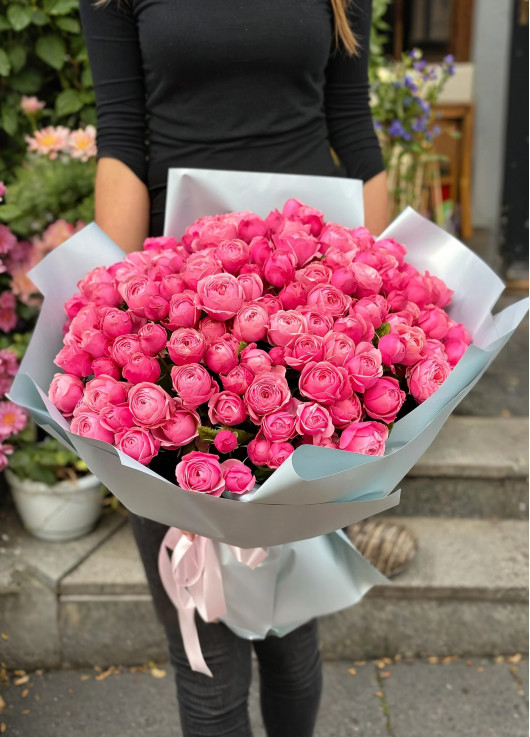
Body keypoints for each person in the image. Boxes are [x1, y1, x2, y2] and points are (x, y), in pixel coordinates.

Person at [79, 1, 388, 735]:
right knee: (208, 656)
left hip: (316, 325)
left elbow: (354, 129)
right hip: (177, 324)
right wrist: (105, 324)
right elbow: (122, 138)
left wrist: (375, 303)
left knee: (290, 630)